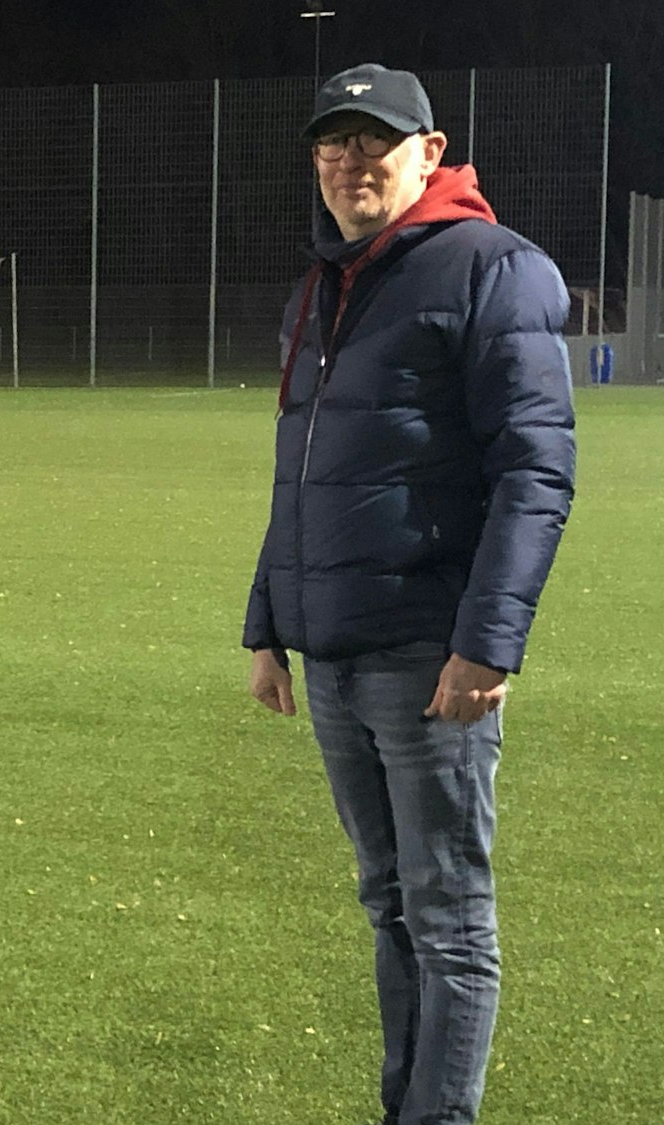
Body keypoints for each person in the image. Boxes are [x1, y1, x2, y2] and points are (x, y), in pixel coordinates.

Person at [242, 63, 575, 1125]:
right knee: (388, 904)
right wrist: (267, 624)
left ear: (429, 152)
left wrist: (488, 644)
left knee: (448, 919)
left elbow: (535, 473)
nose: (350, 161)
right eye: (332, 143)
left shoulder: (493, 269)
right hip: (334, 654)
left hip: (428, 658)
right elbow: (303, 471)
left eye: (374, 141)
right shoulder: (323, 285)